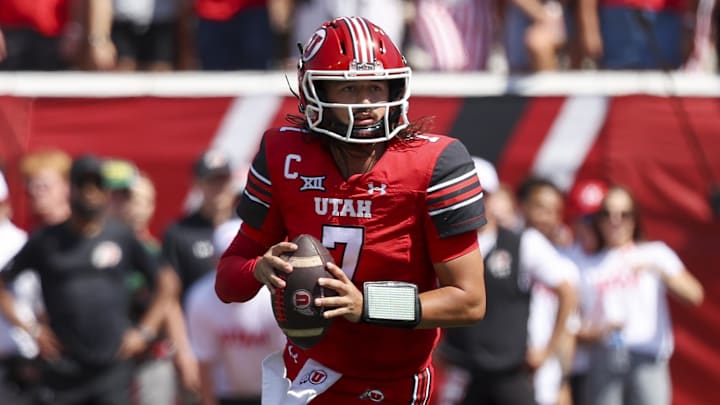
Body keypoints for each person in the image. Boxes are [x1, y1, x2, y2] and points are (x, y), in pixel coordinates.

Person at [215, 16, 487, 404]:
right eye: (349, 88)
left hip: (393, 382)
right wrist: (258, 269)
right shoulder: (284, 153)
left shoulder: (434, 163)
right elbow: (227, 283)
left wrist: (366, 304)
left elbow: (469, 300)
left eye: (375, 87)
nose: (367, 104)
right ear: (317, 92)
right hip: (308, 374)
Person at [0, 155, 174, 405]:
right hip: (63, 369)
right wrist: (32, 329)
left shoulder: (120, 236)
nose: (90, 194)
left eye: (97, 186)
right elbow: (3, 281)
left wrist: (145, 331)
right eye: (83, 185)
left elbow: (167, 281)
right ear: (70, 189)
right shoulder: (46, 241)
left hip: (112, 367)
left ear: (105, 192)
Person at [434, 158, 576, 405]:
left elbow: (567, 292)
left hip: (510, 372)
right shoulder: (443, 245)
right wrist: (435, 345)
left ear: (494, 197)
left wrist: (547, 349)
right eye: (465, 194)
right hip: (462, 370)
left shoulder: (524, 243)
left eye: (481, 193)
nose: (473, 201)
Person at [577, 185, 704, 405]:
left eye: (623, 214)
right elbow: (577, 326)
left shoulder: (654, 253)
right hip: (604, 357)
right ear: (599, 220)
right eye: (608, 214)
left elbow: (694, 295)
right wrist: (599, 331)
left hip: (647, 358)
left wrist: (657, 270)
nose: (615, 221)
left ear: (634, 219)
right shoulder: (587, 264)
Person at [187, 218, 286, 405]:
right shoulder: (200, 298)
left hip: (272, 394)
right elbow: (204, 361)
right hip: (226, 394)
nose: (236, 268)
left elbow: (287, 356)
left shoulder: (273, 294)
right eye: (227, 260)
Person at [163, 150, 237, 300]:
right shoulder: (179, 233)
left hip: (243, 312)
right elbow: (170, 291)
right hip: (196, 311)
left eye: (223, 179)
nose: (219, 187)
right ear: (197, 184)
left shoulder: (247, 227)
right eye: (212, 181)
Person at [18, 149, 73, 230]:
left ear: (67, 186)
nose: (34, 192)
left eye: (43, 186)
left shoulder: (81, 231)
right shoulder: (32, 232)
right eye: (30, 185)